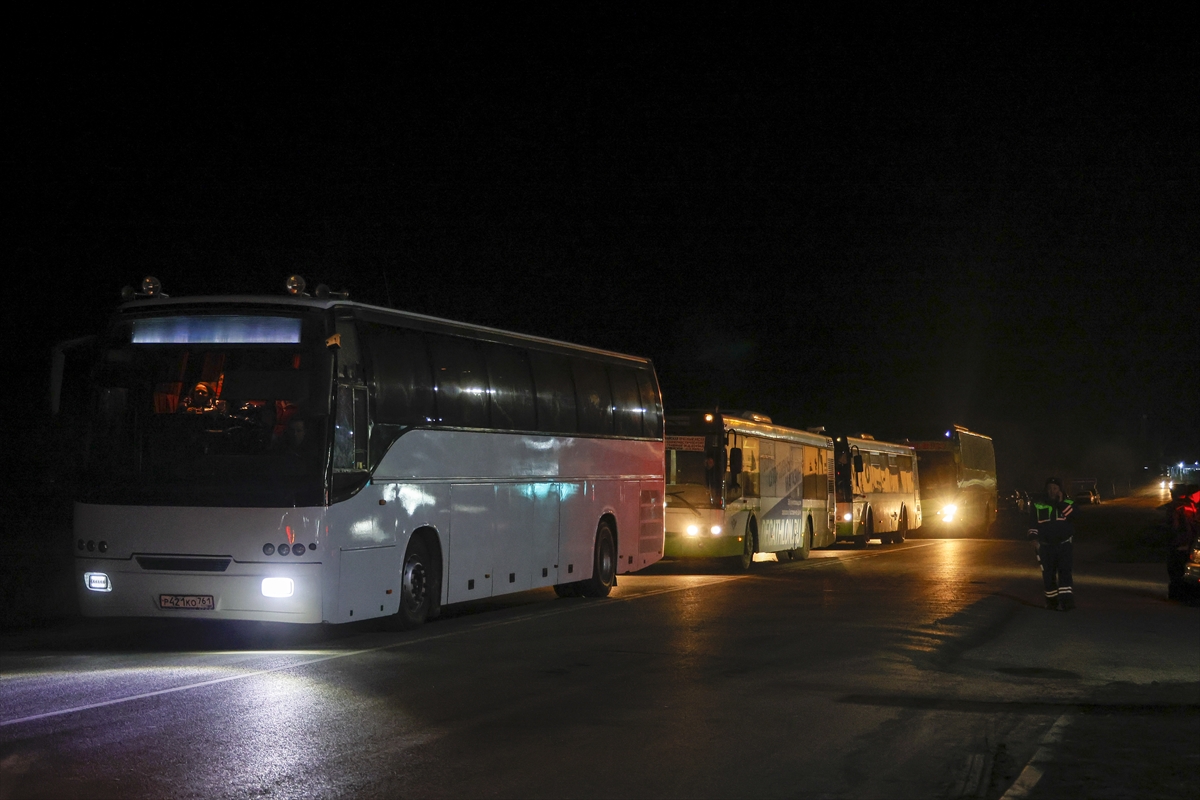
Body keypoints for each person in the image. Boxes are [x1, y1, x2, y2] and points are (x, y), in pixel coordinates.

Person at [1027, 477, 1076, 610]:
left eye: (1055, 488)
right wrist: (1033, 537)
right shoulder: (1038, 504)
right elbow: (1033, 523)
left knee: (1065, 572)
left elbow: (1073, 518)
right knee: (1048, 574)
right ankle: (1051, 601)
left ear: (1060, 490)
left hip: (1064, 545)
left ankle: (1067, 602)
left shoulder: (1068, 502)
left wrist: (1060, 503)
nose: (1052, 491)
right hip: (1045, 546)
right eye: (1049, 488)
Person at [1166, 486, 1199, 600]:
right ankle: (1178, 594)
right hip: (1182, 544)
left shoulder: (1176, 506)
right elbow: (1182, 527)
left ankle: (1176, 594)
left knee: (1176, 571)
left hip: (1179, 544)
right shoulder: (1183, 506)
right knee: (1179, 571)